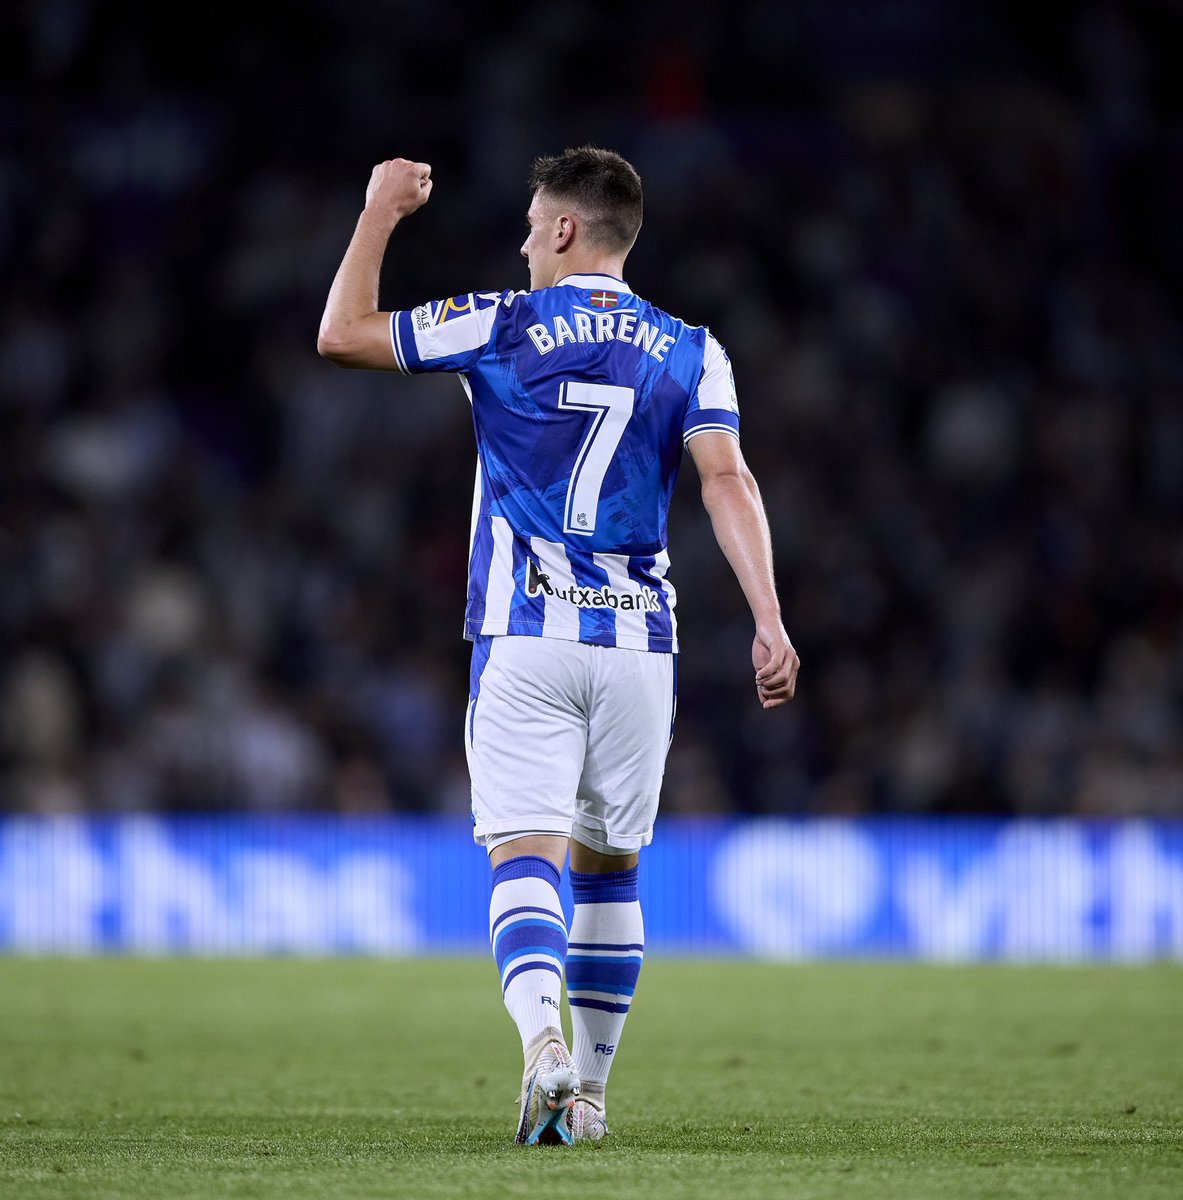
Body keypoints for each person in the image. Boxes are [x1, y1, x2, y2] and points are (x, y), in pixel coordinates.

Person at [317, 146, 799, 1145]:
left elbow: (341, 335)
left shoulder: (501, 321)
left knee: (523, 857)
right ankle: (587, 1099)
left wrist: (377, 215)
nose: (525, 241)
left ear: (568, 230)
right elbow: (727, 483)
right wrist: (768, 619)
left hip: (526, 635)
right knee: (610, 869)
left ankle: (541, 1046)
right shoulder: (689, 348)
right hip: (637, 650)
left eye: (535, 226)